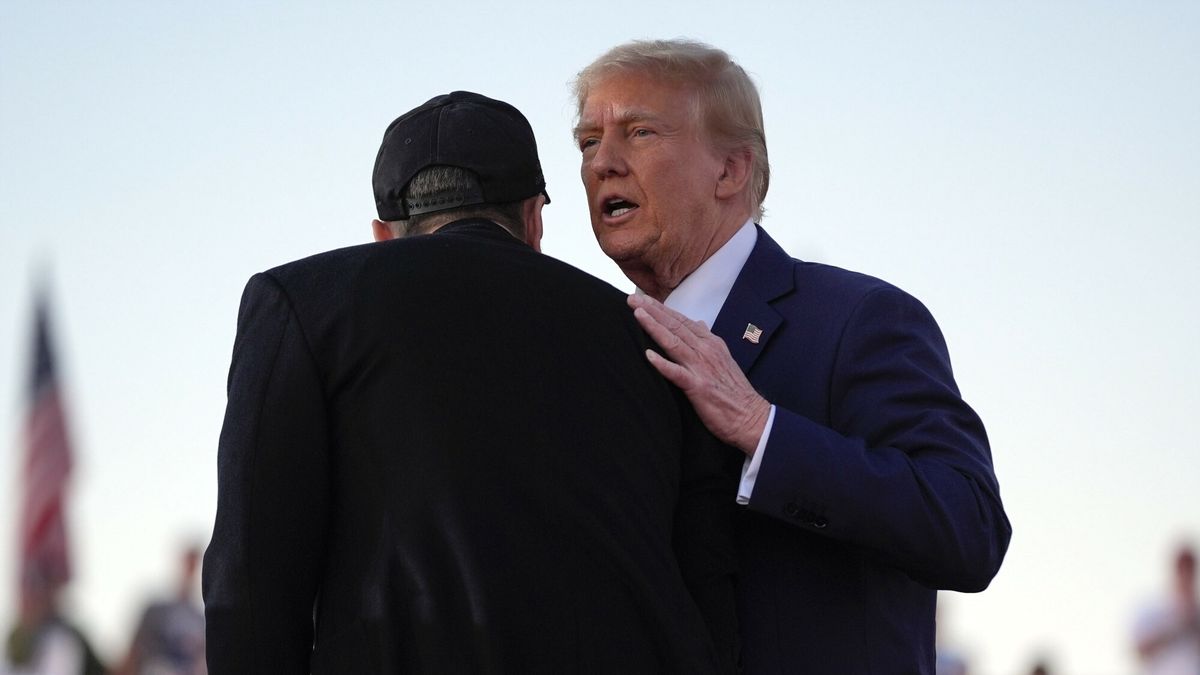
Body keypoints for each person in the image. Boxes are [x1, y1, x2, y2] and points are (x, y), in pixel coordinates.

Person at [202, 91, 738, 674]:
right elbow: (706, 582)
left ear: (383, 236)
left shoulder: (300, 305)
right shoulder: (654, 336)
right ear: (534, 217)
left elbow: (252, 581)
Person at [572, 39, 1012, 673]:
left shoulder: (855, 319)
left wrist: (762, 431)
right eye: (588, 142)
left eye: (639, 132)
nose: (602, 164)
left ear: (731, 170)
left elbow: (969, 528)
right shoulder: (593, 350)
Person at [117, 545, 206, 675]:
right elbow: (133, 652)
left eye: (195, 566)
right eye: (188, 564)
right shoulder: (156, 611)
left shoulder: (200, 621)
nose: (190, 571)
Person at [1132, 543, 1199, 674]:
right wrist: (1178, 626)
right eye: (1182, 569)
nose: (1186, 575)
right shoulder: (1152, 608)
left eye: (1189, 569)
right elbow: (1139, 652)